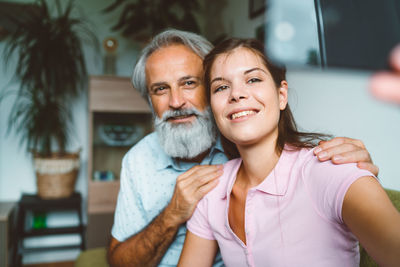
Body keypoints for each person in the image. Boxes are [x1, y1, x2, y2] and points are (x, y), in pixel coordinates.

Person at [107, 29, 379, 267]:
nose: (176, 101)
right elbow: (117, 260)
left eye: (189, 83)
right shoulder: (139, 161)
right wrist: (171, 215)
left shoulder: (249, 136)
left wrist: (352, 170)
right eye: (160, 89)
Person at [178, 38, 400, 267]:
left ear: (281, 95)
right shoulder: (211, 190)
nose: (236, 94)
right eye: (221, 87)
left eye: (253, 79)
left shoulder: (330, 168)